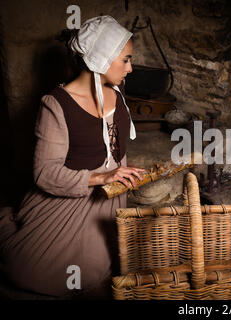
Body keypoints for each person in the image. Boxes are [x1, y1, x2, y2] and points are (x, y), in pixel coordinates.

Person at [0, 16, 146, 298]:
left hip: (110, 198)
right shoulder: (55, 105)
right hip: (71, 201)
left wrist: (122, 172)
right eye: (126, 60)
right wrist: (103, 176)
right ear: (102, 58)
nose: (131, 68)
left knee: (110, 266)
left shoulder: (117, 88)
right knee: (38, 272)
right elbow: (44, 174)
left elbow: (115, 149)